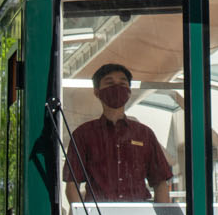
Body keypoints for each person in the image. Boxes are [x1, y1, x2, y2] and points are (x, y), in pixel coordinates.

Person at [64, 62, 173, 205]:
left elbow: (160, 182)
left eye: (123, 83)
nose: (117, 87)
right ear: (97, 92)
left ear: (129, 91)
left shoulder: (144, 134)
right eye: (109, 83)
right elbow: (72, 184)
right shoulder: (83, 135)